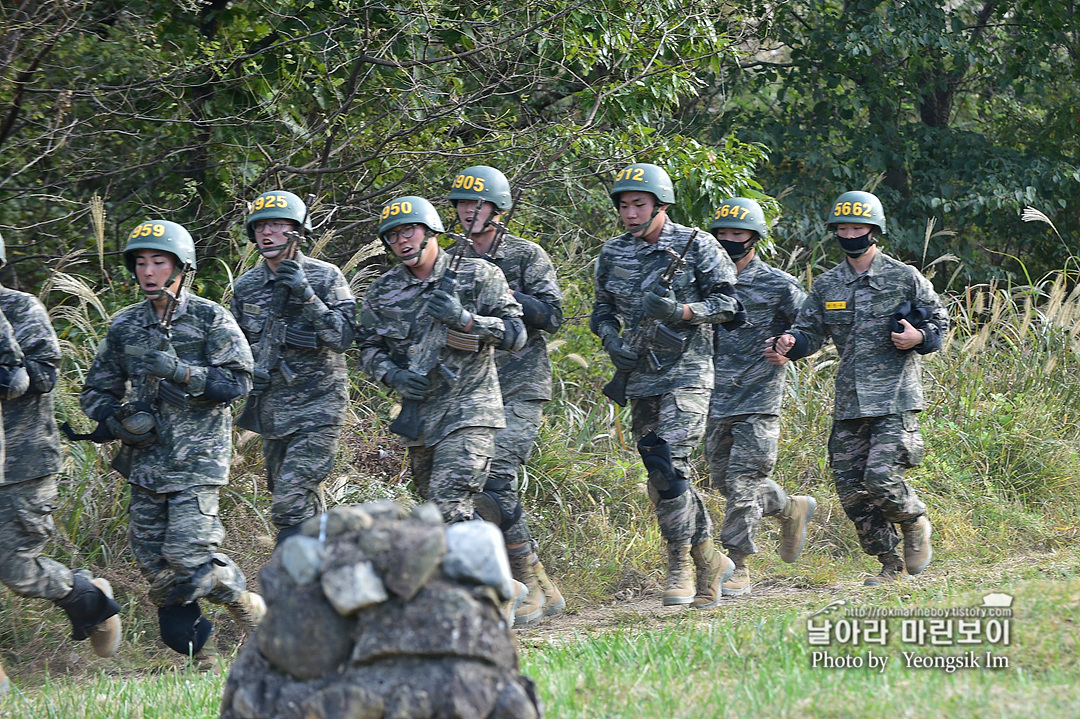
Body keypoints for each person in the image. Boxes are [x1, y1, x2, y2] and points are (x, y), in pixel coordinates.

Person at [79, 220, 264, 668]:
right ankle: (202, 655)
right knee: (160, 575)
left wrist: (181, 372)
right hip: (144, 465)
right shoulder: (125, 325)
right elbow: (95, 392)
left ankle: (242, 601)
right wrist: (117, 418)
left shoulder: (210, 318)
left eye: (158, 262)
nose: (148, 271)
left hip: (198, 461)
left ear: (181, 267)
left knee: (187, 556)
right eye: (140, 263)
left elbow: (238, 381)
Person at [768, 191, 946, 585]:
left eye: (857, 227)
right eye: (843, 229)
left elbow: (940, 325)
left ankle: (914, 521)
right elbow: (809, 332)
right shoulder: (828, 284)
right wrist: (790, 344)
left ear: (874, 230)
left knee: (880, 477)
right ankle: (890, 565)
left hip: (895, 398)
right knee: (852, 493)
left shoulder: (904, 277)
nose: (850, 235)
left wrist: (919, 337)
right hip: (849, 402)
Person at [591, 163, 741, 608]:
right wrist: (610, 338)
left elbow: (730, 305)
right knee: (664, 479)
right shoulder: (613, 253)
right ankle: (705, 556)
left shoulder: (697, 245)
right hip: (639, 377)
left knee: (666, 460)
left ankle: (682, 563)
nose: (631, 213)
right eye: (624, 206)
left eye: (639, 205)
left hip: (687, 373)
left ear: (660, 205)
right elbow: (601, 308)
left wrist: (683, 313)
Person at [357, 196, 526, 528]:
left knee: (448, 506)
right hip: (420, 420)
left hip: (470, 411)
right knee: (438, 515)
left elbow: (515, 334)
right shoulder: (382, 291)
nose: (402, 242)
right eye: (393, 236)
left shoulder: (479, 274)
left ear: (430, 230)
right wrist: (394, 375)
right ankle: (500, 575)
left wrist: (464, 320)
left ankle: (483, 574)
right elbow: (367, 348)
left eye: (409, 231)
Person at [0, 232, 121, 693]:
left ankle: (88, 597)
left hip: (23, 464)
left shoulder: (21, 308)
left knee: (15, 569)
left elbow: (46, 373)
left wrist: (10, 365)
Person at [449, 166, 565, 626]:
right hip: (471, 389)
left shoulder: (525, 254)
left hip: (521, 384)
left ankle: (528, 582)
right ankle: (538, 582)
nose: (466, 213)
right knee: (476, 489)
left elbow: (552, 315)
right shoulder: (451, 258)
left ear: (498, 209)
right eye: (460, 205)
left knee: (497, 479)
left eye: (475, 205)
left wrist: (505, 295)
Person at [703, 197, 817, 597]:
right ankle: (790, 508)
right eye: (722, 234)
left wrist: (791, 345)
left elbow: (810, 328)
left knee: (743, 481)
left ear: (754, 238)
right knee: (723, 480)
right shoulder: (702, 281)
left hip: (759, 396)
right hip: (711, 397)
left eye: (738, 234)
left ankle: (738, 565)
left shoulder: (778, 284)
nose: (730, 240)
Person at [230, 190, 356, 546]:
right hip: (271, 412)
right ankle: (329, 573)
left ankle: (292, 585)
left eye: (276, 225)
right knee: (294, 500)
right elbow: (232, 345)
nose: (267, 234)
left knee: (288, 500)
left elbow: (343, 337)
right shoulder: (247, 286)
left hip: (319, 409)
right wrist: (250, 366)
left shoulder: (325, 277)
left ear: (298, 232)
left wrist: (306, 295)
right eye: (260, 227)